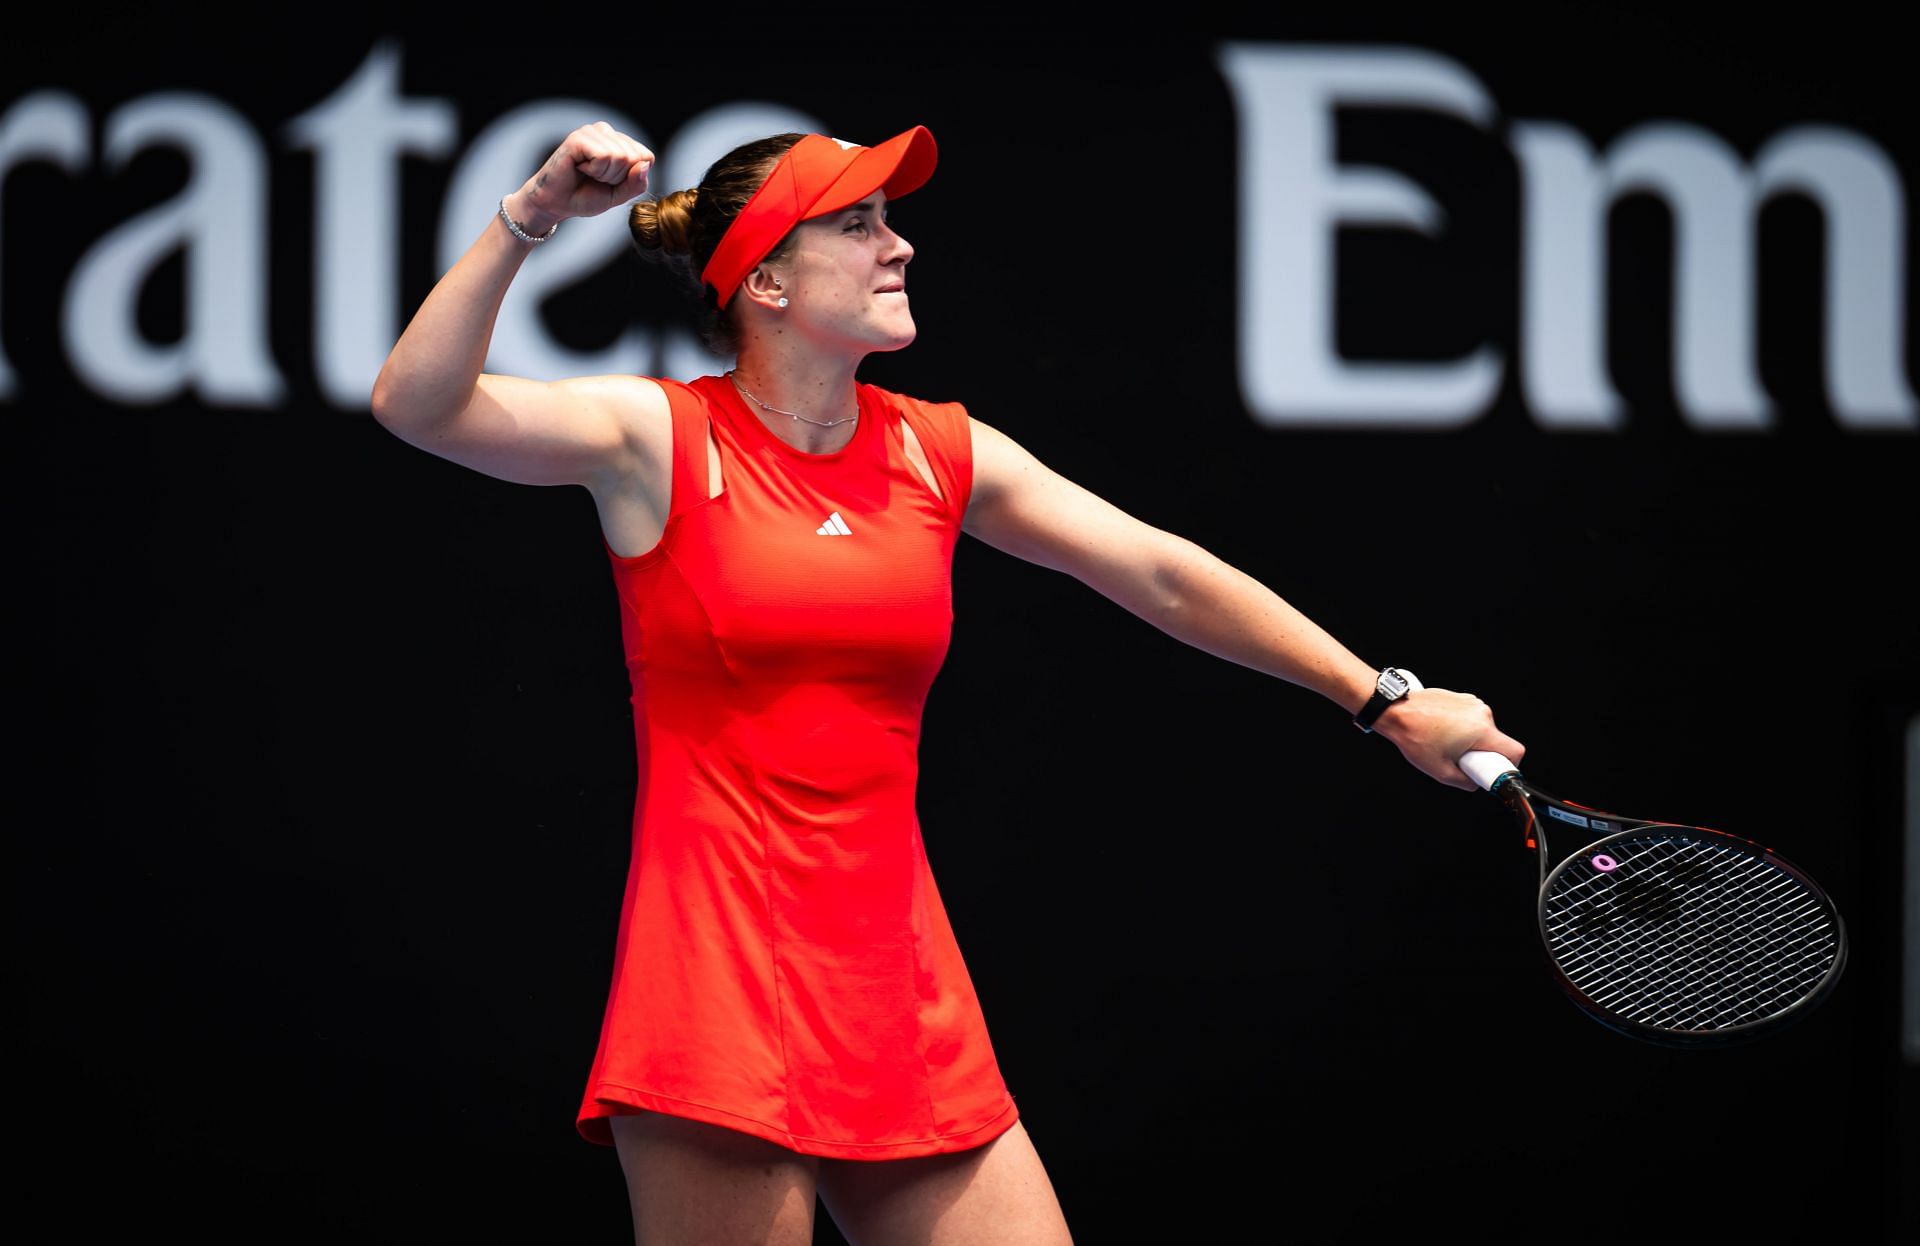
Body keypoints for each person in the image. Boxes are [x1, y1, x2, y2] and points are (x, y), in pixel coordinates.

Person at [371, 120, 1525, 1246]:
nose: (901, 244)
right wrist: (529, 219)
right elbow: (417, 405)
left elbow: (1164, 572)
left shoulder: (939, 449)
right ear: (765, 283)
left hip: (897, 978)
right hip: (717, 966)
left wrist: (1383, 699)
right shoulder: (659, 436)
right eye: (859, 223)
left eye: (893, 220)